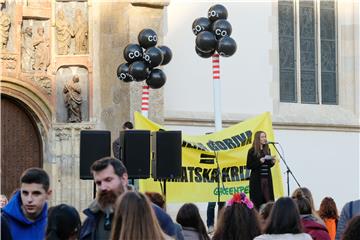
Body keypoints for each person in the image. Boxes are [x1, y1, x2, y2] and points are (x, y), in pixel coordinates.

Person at [79, 157, 177, 240]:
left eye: (108, 180)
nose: (103, 187)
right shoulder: (92, 219)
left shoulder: (156, 215)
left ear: (124, 179)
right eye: (98, 183)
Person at [2, 168, 52, 240]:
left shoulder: (53, 224)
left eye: (36, 193)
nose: (29, 200)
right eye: (25, 193)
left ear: (48, 194)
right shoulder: (3, 222)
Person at [246, 130, 276, 209]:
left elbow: (268, 165)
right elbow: (249, 165)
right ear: (257, 139)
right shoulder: (252, 151)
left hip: (267, 179)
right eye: (262, 137)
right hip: (257, 180)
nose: (264, 138)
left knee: (268, 200)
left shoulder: (267, 150)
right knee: (257, 202)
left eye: (265, 136)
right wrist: (259, 161)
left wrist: (272, 162)